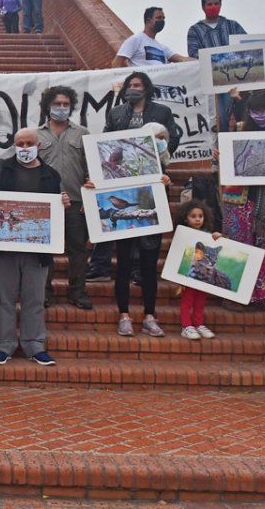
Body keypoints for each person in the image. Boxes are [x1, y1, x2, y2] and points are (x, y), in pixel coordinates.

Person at [96, 72, 180, 337]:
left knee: (148, 261)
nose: (134, 89)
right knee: (122, 261)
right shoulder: (116, 113)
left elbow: (171, 140)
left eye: (138, 86)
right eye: (130, 86)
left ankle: (150, 315)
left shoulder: (162, 111)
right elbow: (106, 145)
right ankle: (124, 315)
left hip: (152, 189)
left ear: (147, 88)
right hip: (123, 186)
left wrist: (161, 159)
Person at [0, 127, 67, 367]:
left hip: (38, 250)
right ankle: (3, 346)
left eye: (29, 143)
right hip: (5, 247)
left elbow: (56, 208)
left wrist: (63, 203)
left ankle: (35, 345)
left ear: (39, 145)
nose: (24, 148)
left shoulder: (51, 175)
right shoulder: (0, 168)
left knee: (34, 299)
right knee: (4, 298)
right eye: (20, 144)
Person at [218, 90, 265, 311]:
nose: (259, 115)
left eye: (263, 110)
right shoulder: (239, 130)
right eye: (254, 111)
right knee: (237, 243)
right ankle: (233, 294)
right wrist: (220, 157)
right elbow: (229, 163)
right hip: (240, 197)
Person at [36, 86, 93, 309]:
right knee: (45, 249)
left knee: (78, 249)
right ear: (47, 106)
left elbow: (92, 169)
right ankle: (44, 292)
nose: (61, 108)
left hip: (76, 200)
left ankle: (78, 292)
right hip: (45, 202)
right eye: (56, 104)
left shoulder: (83, 134)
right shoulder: (36, 134)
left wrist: (89, 196)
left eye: (65, 104)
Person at [187, 0, 248, 133]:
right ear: (203, 7)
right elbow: (193, 54)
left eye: (216, 3)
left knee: (243, 114)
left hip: (238, 79)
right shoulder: (195, 30)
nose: (213, 6)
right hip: (214, 82)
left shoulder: (233, 26)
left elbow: (245, 47)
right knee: (221, 118)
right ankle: (222, 147)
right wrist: (217, 60)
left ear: (221, 5)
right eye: (209, 4)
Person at [174, 200, 221, 341]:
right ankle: (186, 326)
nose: (197, 219)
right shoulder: (182, 235)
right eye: (193, 216)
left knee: (201, 299)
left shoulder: (207, 235)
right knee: (187, 300)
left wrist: (217, 237)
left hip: (203, 275)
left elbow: (216, 246)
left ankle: (198, 323)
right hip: (188, 274)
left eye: (200, 216)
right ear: (185, 218)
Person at [113, 7, 195, 67]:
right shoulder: (135, 40)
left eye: (163, 18)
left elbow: (182, 59)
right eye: (159, 18)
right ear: (148, 21)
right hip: (143, 88)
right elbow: (116, 63)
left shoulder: (162, 48)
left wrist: (202, 62)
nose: (162, 21)